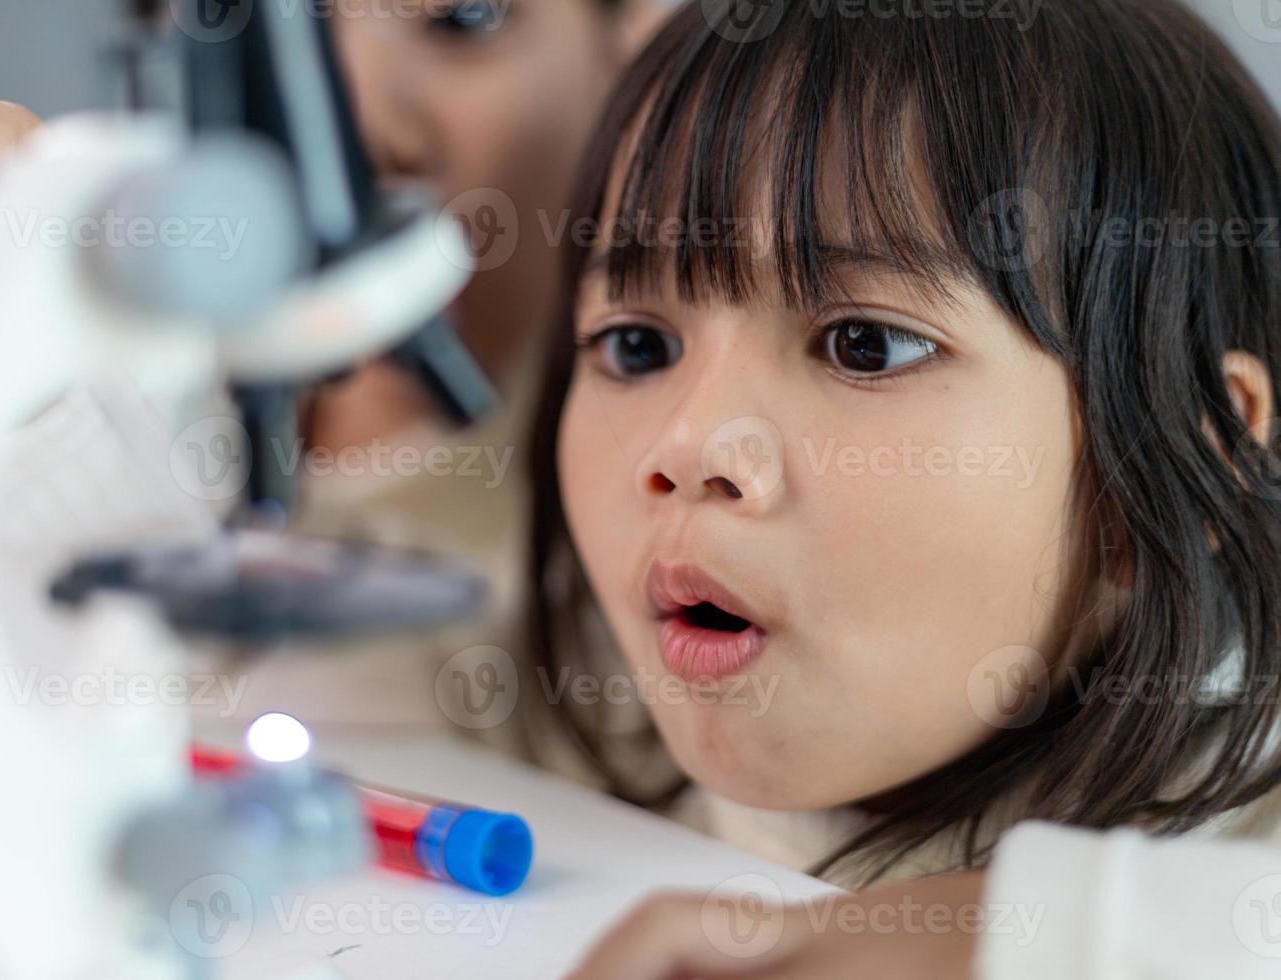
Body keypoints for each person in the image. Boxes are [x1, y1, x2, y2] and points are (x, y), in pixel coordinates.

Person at [525, 0, 1281, 975]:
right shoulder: (542, 709)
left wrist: (988, 930)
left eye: (864, 344)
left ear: (1185, 450)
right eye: (638, 345)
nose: (690, 443)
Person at [0, 0, 673, 754]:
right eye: (244, 24)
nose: (367, 127)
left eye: (463, 19)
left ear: (629, 42)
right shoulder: (142, 394)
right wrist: (22, 387)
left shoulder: (664, 466)